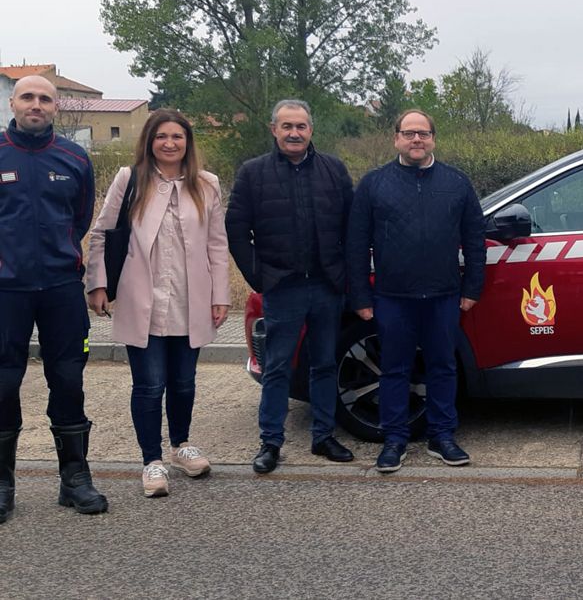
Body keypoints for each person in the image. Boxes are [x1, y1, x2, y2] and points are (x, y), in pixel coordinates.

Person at [85, 110, 230, 497]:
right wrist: (97, 284)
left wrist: (220, 295)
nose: (170, 143)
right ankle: (152, 461)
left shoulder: (208, 185)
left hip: (190, 299)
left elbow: (218, 245)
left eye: (177, 137)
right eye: (161, 136)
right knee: (149, 385)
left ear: (188, 142)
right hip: (141, 298)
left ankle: (181, 444)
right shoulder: (129, 180)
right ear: (149, 141)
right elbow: (103, 233)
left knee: (184, 382)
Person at [346, 109, 485, 471]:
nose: (416, 140)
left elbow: (474, 240)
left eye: (422, 133)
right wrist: (360, 295)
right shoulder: (374, 184)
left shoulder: (457, 183)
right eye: (409, 133)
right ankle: (394, 440)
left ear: (433, 139)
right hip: (393, 298)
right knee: (395, 370)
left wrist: (472, 288)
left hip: (444, 296)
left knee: (442, 367)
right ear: (396, 139)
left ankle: (442, 436)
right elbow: (356, 244)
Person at [226, 100, 356, 473]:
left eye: (300, 126)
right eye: (287, 126)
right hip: (282, 288)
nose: (294, 133)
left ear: (311, 130)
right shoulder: (253, 173)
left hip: (327, 286)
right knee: (278, 366)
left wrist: (344, 273)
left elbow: (353, 226)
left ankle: (323, 436)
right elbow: (236, 230)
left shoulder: (333, 169)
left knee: (325, 364)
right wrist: (260, 278)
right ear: (274, 130)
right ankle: (271, 442)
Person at [0, 75, 107, 521]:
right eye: (28, 97)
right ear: (14, 102)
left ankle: (74, 479)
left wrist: (62, 255)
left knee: (68, 380)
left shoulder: (74, 156)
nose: (36, 105)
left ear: (55, 106)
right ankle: (3, 483)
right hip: (6, 290)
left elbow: (80, 217)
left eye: (44, 98)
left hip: (62, 288)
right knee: (3, 383)